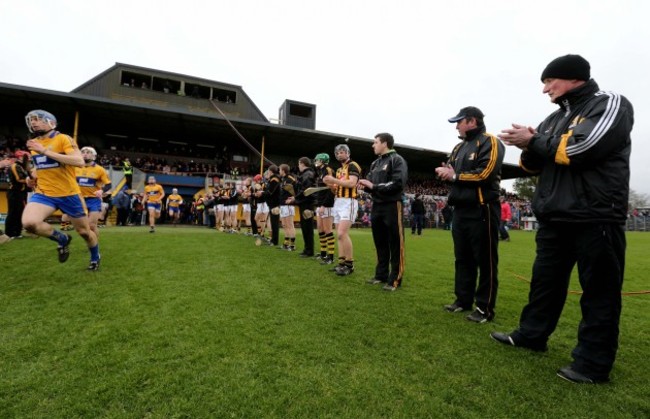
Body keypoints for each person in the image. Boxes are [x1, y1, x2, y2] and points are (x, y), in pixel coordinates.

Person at [493, 54, 633, 384]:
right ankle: (531, 335)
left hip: (595, 215)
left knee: (599, 292)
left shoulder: (610, 103)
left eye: (548, 81)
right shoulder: (553, 118)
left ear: (571, 78)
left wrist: (536, 140)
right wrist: (529, 142)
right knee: (545, 284)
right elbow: (532, 165)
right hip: (555, 217)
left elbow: (582, 149)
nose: (545, 90)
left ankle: (593, 364)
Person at [435, 106, 504, 323]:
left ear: (471, 121)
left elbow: (485, 174)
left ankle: (484, 308)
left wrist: (454, 176)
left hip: (482, 209)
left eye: (459, 122)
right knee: (462, 258)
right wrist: (444, 173)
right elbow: (453, 173)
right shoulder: (458, 147)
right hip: (461, 211)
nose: (456, 126)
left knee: (485, 261)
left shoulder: (490, 142)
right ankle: (463, 300)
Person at [21, 109, 101, 270]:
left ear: (51, 122)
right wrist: (32, 177)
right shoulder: (34, 144)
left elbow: (78, 161)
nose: (33, 123)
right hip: (44, 193)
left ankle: (95, 256)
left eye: (37, 119)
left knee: (85, 232)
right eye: (31, 120)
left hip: (69, 194)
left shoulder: (63, 138)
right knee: (29, 223)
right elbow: (41, 166)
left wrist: (44, 150)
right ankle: (62, 239)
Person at [358, 133, 408, 291]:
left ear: (385, 143)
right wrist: (363, 186)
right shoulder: (375, 163)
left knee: (396, 243)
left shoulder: (397, 160)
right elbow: (370, 182)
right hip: (377, 205)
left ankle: (395, 279)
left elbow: (398, 183)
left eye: (375, 142)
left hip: (393, 205)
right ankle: (381, 275)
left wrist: (373, 187)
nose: (373, 145)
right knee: (380, 242)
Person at [323, 144, 362, 276]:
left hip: (349, 202)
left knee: (342, 233)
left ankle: (349, 265)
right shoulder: (339, 170)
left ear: (348, 153)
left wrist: (334, 180)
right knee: (339, 235)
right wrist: (331, 185)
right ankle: (341, 263)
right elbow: (337, 188)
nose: (339, 154)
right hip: (338, 202)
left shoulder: (353, 165)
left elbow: (351, 183)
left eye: (342, 152)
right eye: (337, 153)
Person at [76, 146, 111, 235]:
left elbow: (108, 184)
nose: (85, 154)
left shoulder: (100, 169)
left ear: (94, 156)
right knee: (81, 228)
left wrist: (101, 191)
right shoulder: (74, 167)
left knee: (91, 225)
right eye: (83, 152)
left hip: (93, 199)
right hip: (78, 199)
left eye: (88, 153)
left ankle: (94, 245)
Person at [287, 157, 316, 257]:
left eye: (299, 164)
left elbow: (305, 191)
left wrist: (295, 198)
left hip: (307, 203)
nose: (298, 166)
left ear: (302, 163)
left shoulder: (308, 174)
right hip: (304, 203)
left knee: (307, 227)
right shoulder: (305, 174)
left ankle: (309, 251)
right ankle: (307, 249)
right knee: (305, 227)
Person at [313, 153, 336, 264]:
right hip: (320, 204)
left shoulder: (328, 170)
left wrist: (323, 205)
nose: (316, 161)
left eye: (317, 160)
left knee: (327, 230)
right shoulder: (321, 171)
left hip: (327, 205)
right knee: (320, 229)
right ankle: (323, 253)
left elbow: (331, 190)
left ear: (322, 160)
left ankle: (330, 257)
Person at [5, 150, 31, 238]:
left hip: (21, 192)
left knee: (20, 212)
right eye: (26, 158)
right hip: (14, 192)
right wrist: (29, 181)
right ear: (20, 157)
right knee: (13, 212)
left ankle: (17, 232)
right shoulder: (15, 166)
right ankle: (10, 233)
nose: (28, 160)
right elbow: (18, 179)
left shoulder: (22, 167)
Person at [255, 166, 281, 245]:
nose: (267, 173)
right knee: (273, 223)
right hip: (272, 203)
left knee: (275, 223)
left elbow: (270, 192)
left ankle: (275, 241)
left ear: (271, 171)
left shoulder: (274, 179)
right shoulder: (272, 179)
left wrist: (262, 193)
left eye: (268, 171)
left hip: (275, 203)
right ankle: (273, 239)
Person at [278, 164, 297, 250]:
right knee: (284, 224)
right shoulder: (283, 179)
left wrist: (293, 198)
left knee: (290, 224)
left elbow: (297, 188)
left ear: (283, 170)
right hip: (282, 204)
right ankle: (286, 244)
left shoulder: (291, 178)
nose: (279, 171)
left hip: (288, 204)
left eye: (280, 170)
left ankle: (292, 245)